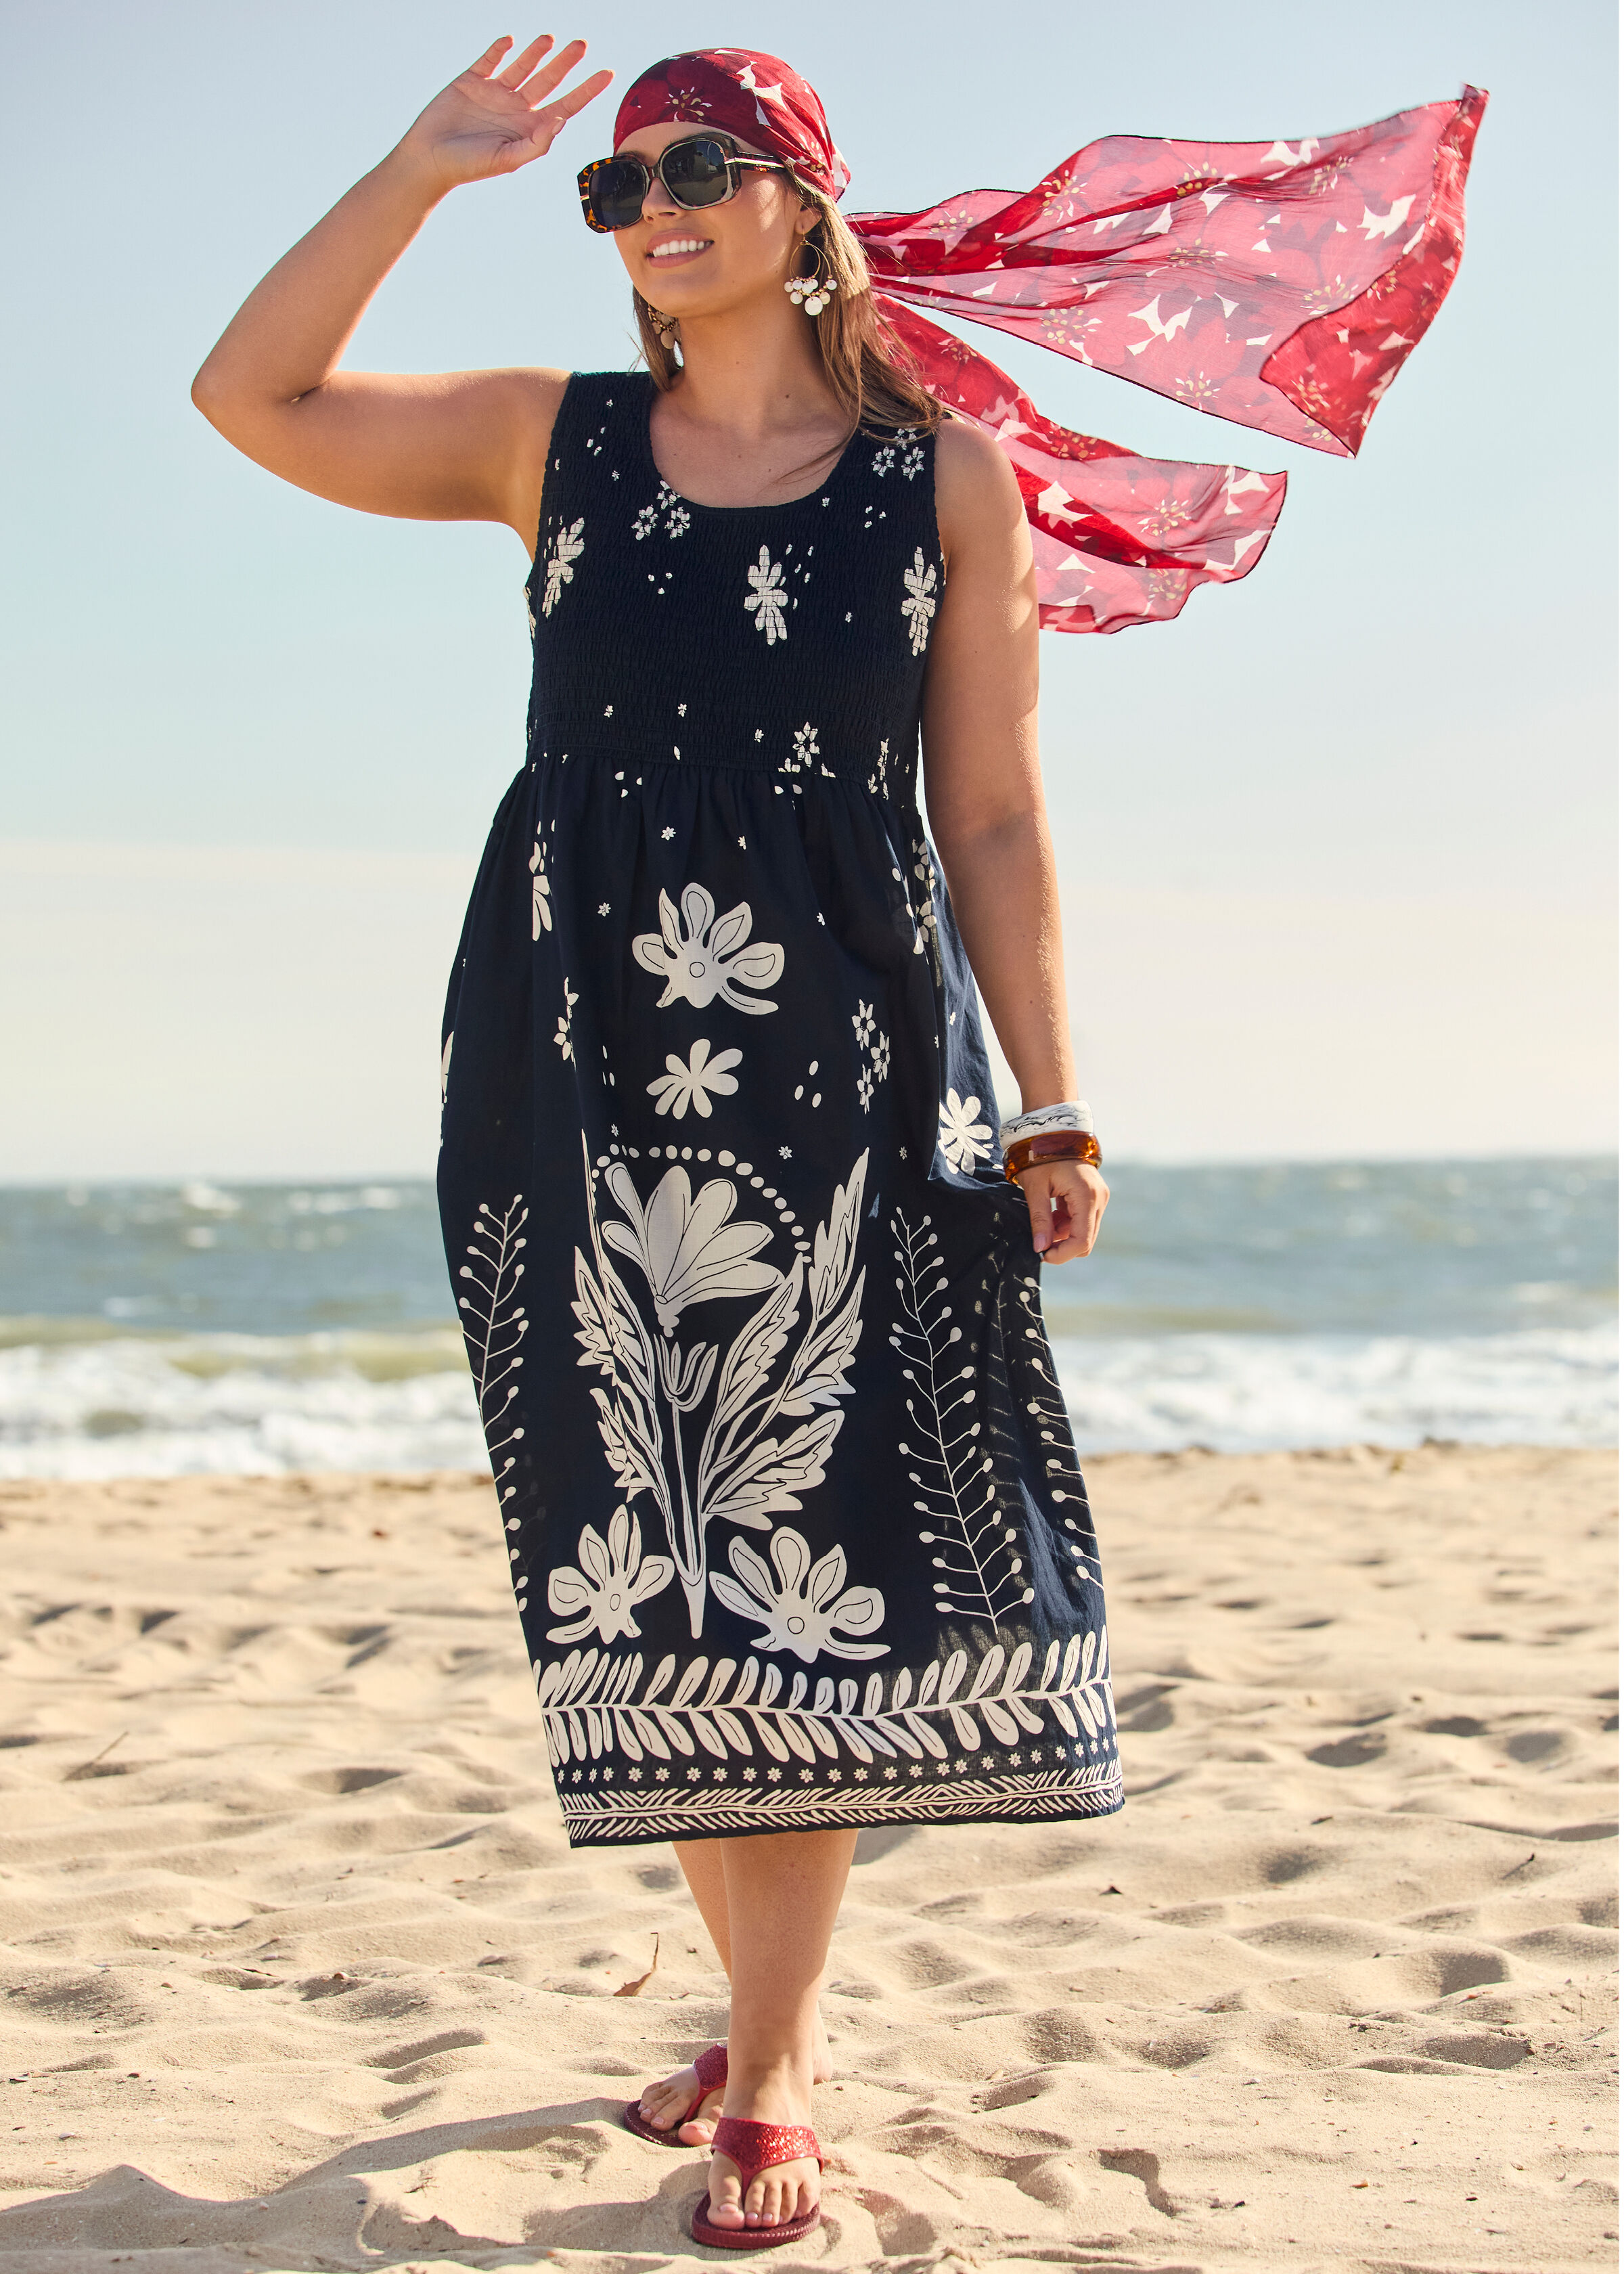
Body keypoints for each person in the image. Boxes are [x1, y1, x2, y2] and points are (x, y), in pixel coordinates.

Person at [191, 37, 1481, 2247]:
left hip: (861, 1061)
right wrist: (416, 168)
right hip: (578, 1052)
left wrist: (1054, 1091)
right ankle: (771, 2019)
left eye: (699, 169)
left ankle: (772, 2047)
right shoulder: (553, 441)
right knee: (660, 1549)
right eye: (618, 190)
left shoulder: (940, 480)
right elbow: (258, 397)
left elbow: (990, 807)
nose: (653, 207)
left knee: (832, 1540)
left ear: (807, 200)